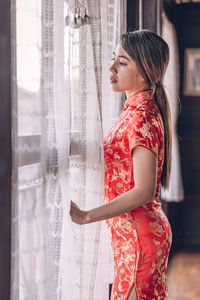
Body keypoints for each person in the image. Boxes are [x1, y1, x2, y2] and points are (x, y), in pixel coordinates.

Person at [70, 30, 172, 300]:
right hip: (133, 238)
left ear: (144, 73)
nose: (111, 67)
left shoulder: (141, 117)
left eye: (122, 62)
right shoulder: (133, 111)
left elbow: (144, 190)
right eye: (115, 58)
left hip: (140, 240)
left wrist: (87, 215)